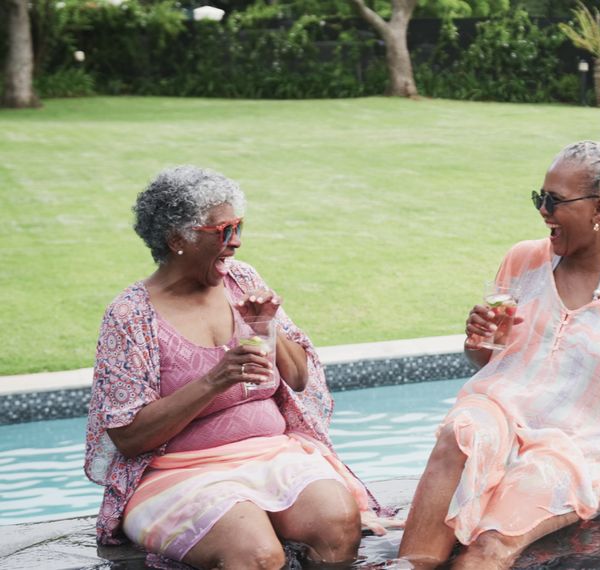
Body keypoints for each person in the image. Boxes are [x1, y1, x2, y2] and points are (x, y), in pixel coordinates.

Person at [398, 141, 600, 569]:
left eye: (555, 201)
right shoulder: (525, 260)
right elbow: (491, 363)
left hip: (575, 451)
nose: (543, 210)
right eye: (539, 198)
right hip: (500, 416)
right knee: (461, 429)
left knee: (492, 544)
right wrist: (480, 343)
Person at [84, 166, 388, 568]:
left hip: (273, 456)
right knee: (255, 554)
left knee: (337, 524)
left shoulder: (242, 281)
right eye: (224, 231)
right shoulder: (130, 315)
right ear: (178, 240)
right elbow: (129, 437)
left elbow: (298, 378)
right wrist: (216, 379)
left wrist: (269, 326)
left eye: (239, 226)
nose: (237, 242)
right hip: (179, 472)